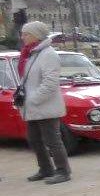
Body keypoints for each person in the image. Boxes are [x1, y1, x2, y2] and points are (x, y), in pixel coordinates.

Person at [16, 21, 71, 184]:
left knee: (52, 140)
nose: (23, 37)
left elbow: (50, 82)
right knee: (34, 139)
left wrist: (34, 99)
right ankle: (46, 168)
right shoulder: (31, 53)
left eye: (26, 34)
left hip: (45, 105)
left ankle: (63, 171)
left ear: (36, 36)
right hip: (32, 106)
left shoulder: (48, 54)